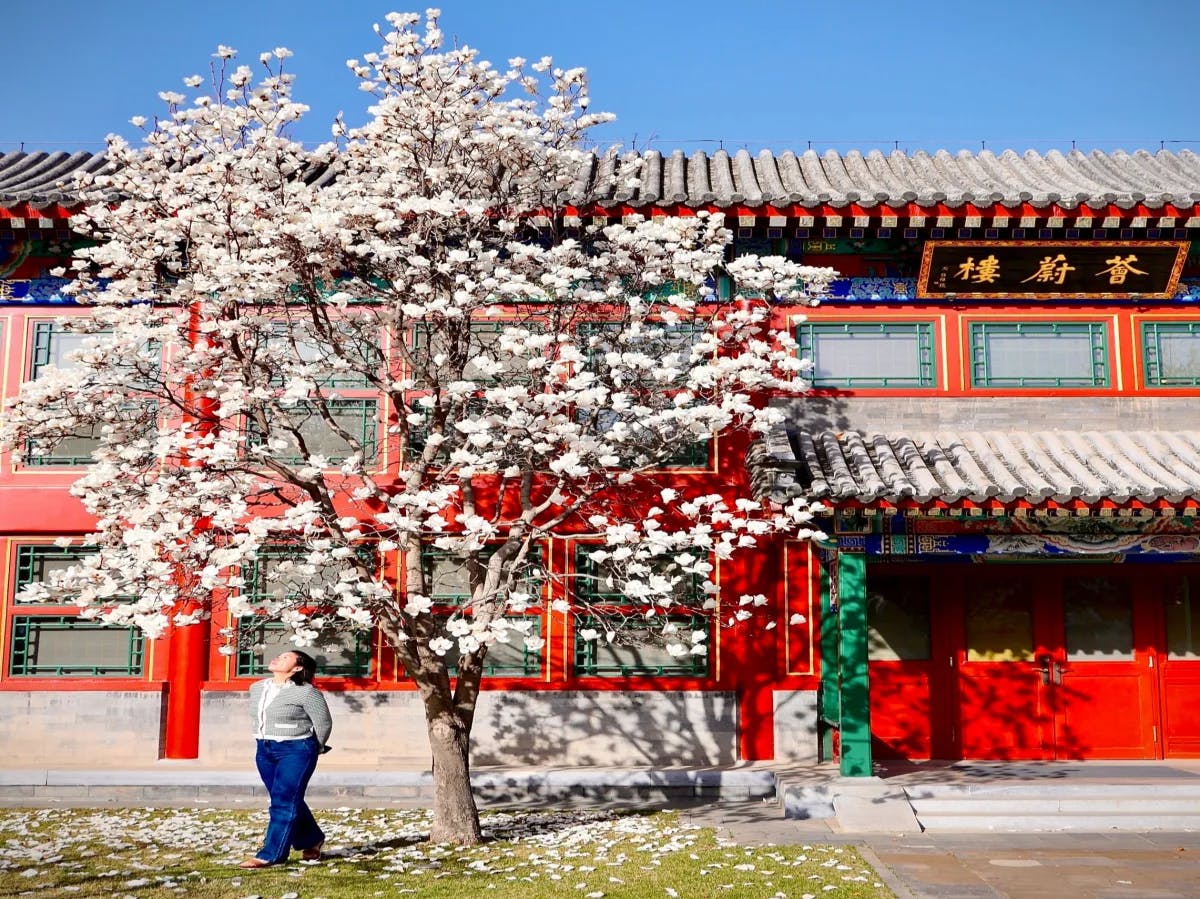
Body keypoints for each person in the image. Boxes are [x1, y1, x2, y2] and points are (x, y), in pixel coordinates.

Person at [239, 649, 332, 869]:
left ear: (297, 668)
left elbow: (324, 723)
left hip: (296, 749)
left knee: (283, 801)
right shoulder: (257, 687)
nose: (278, 658)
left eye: (285, 658)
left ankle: (272, 854)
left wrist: (313, 747)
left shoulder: (307, 693)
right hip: (264, 749)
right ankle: (312, 839)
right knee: (286, 799)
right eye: (279, 655)